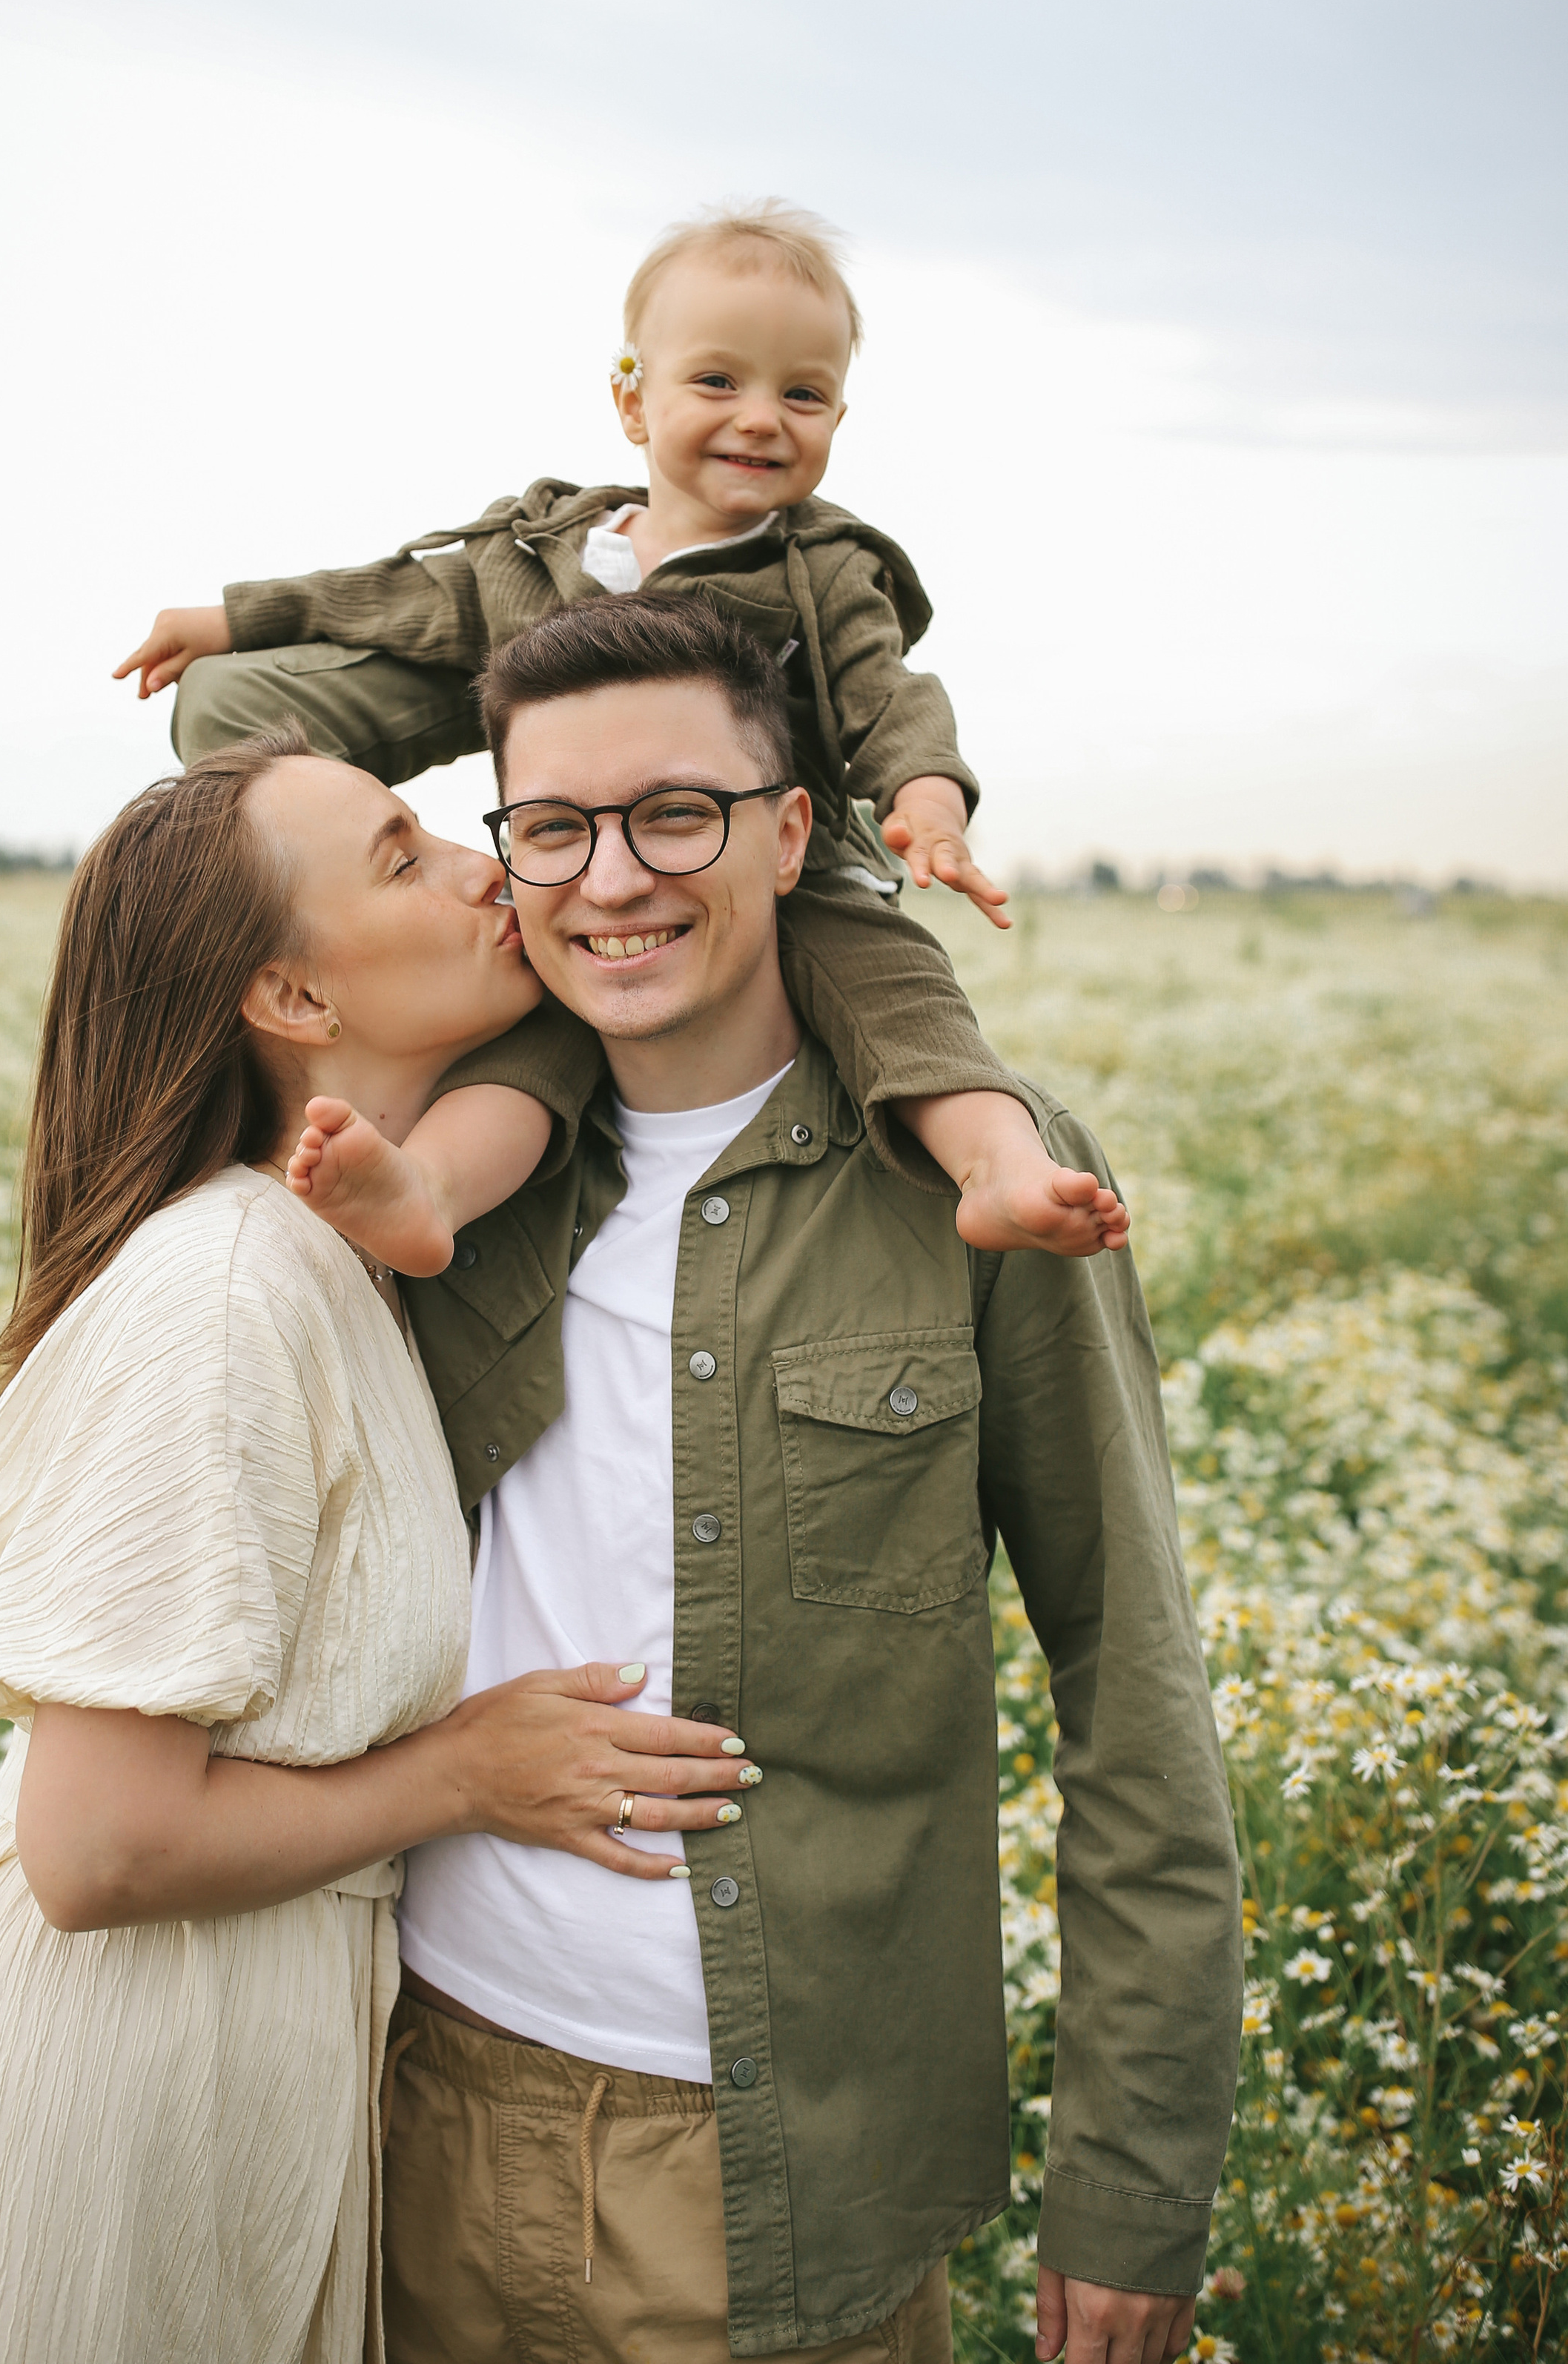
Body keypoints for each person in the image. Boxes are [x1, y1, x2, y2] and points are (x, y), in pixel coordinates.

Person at [0, 734, 753, 2364]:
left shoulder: (349, 1262)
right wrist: (466, 1777)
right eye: (404, 857)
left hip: (227, 2090)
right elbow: (94, 1850)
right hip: (89, 2125)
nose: (499, 867)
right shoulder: (225, 1291)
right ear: (291, 999)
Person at [296, 597, 1243, 2364]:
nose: (609, 881)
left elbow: (1129, 1677)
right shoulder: (438, 1179)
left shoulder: (980, 1174)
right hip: (410, 2081)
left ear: (793, 830)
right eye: (552, 828)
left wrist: (1131, 2175)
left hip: (778, 2164)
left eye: (676, 813)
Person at [111, 197, 1130, 1270]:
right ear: (632, 403)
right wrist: (230, 618)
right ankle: (430, 1192)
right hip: (590, 874)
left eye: (804, 394)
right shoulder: (547, 553)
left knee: (902, 994)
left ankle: (997, 1168)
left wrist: (927, 805)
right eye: (718, 382)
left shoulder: (823, 570)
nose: (761, 418)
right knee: (539, 1045)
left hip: (799, 868)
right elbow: (387, 598)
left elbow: (892, 698)